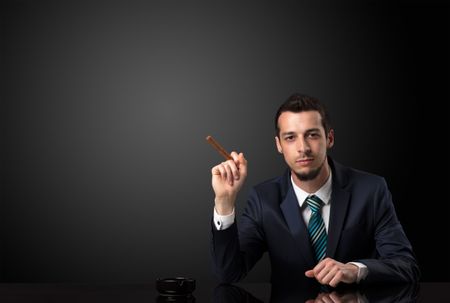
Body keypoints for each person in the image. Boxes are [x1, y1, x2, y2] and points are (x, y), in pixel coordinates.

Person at [210, 93, 420, 287]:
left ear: (329, 138)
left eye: (312, 135)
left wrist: (356, 270)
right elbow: (229, 274)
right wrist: (225, 202)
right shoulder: (263, 199)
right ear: (279, 145)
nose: (303, 148)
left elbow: (406, 266)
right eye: (290, 137)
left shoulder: (371, 190)